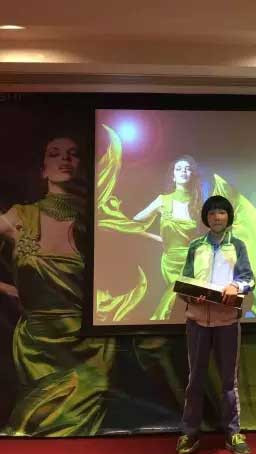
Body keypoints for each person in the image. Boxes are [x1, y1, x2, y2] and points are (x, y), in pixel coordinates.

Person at [0, 135, 115, 436]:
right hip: (37, 348)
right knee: (34, 431)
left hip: (89, 346)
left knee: (81, 438)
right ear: (42, 169)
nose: (64, 159)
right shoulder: (19, 217)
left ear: (83, 167)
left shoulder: (101, 220)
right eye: (55, 153)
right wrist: (9, 289)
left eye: (73, 154)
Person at [176, 195, 255, 454]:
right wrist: (191, 295)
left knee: (229, 382)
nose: (217, 217)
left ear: (228, 216)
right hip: (197, 321)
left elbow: (249, 279)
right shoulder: (196, 246)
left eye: (221, 212)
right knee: (195, 379)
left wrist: (236, 286)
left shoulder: (238, 245)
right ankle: (189, 432)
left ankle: (233, 433)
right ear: (206, 218)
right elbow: (185, 281)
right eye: (211, 213)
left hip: (227, 322)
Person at [133, 154, 202, 321]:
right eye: (179, 169)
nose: (183, 171)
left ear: (192, 175)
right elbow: (133, 224)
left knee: (183, 303)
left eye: (187, 169)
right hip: (170, 262)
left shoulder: (198, 202)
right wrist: (159, 239)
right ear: (173, 175)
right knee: (175, 300)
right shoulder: (162, 200)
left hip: (192, 263)